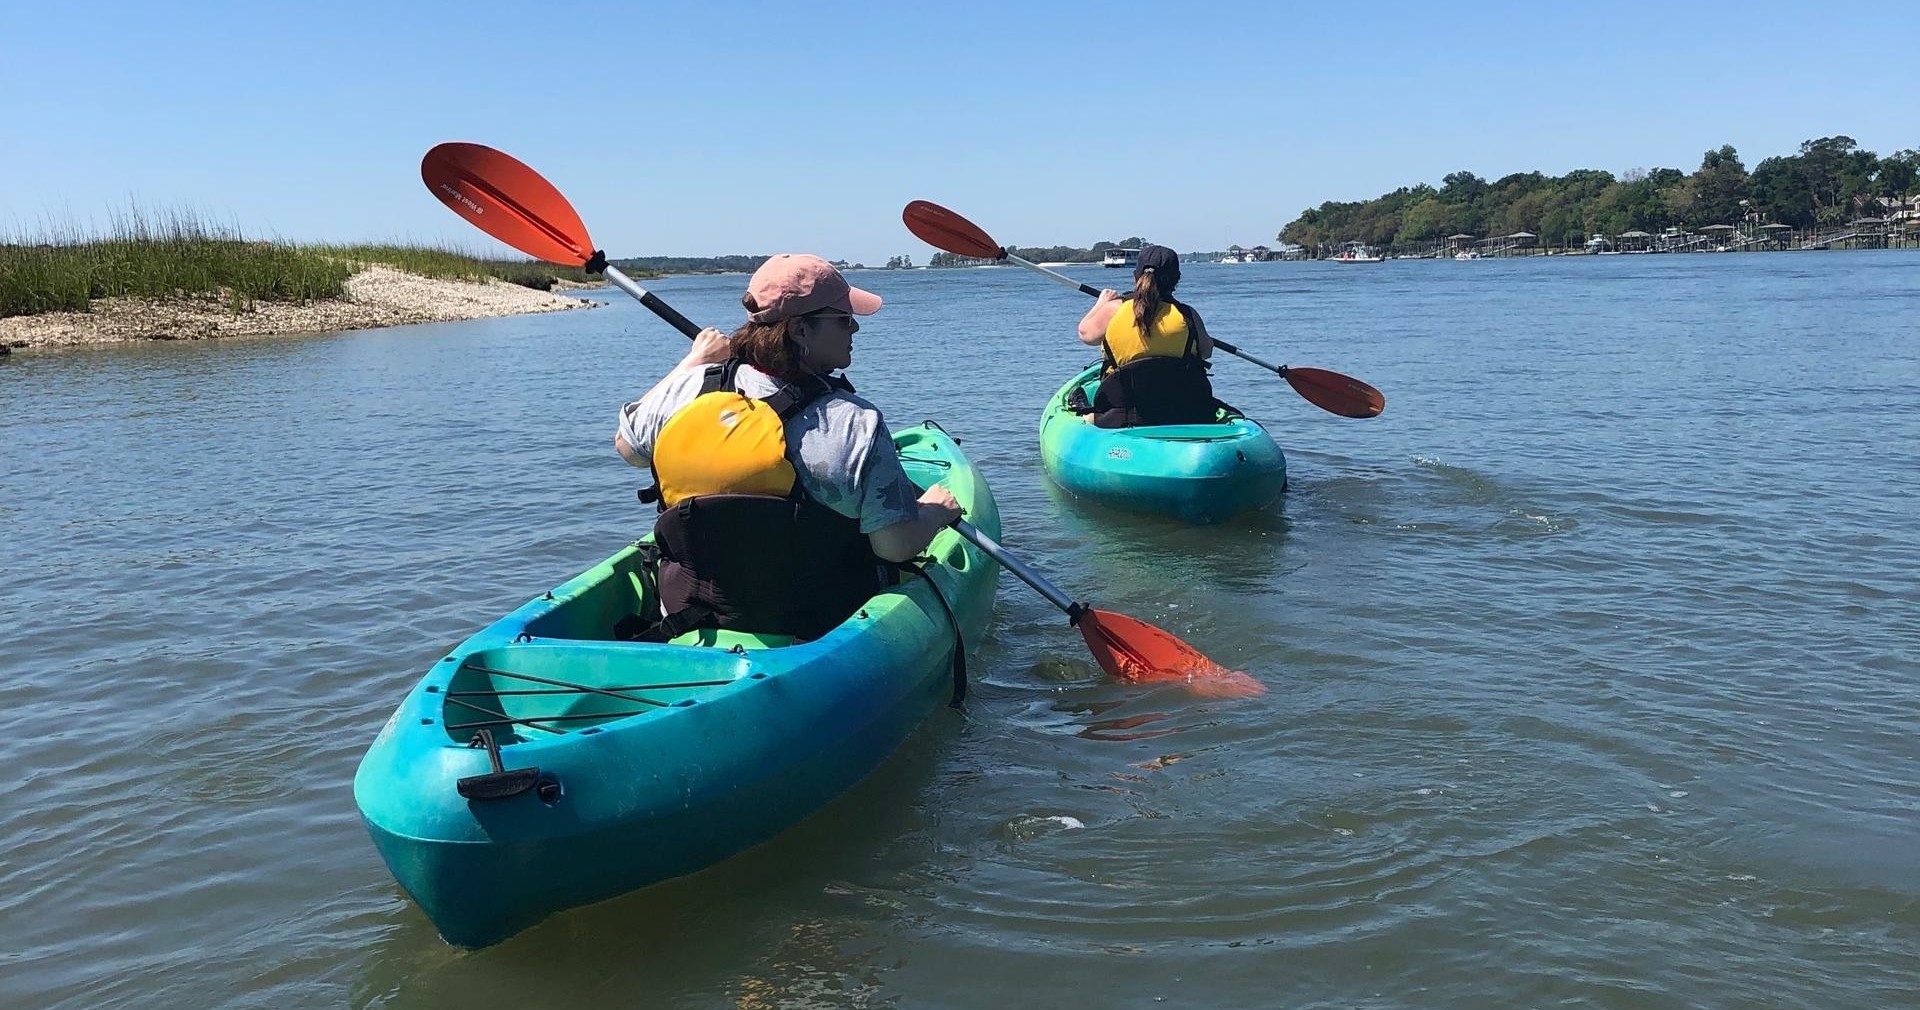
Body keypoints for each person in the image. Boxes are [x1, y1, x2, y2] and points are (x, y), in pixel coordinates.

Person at [612, 254, 961, 642]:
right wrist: (933, 513)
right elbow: (894, 546)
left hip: (689, 616)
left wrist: (692, 361)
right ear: (799, 331)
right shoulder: (855, 423)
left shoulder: (689, 388)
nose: (856, 328)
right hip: (818, 627)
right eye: (843, 319)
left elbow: (628, 448)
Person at [1073, 244, 1221, 428]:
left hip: (1122, 413)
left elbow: (1085, 334)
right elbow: (1206, 352)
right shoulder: (1188, 315)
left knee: (1086, 416)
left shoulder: (1115, 309)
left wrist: (1101, 303)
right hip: (1184, 411)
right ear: (1176, 280)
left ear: (1136, 276)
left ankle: (1090, 421)